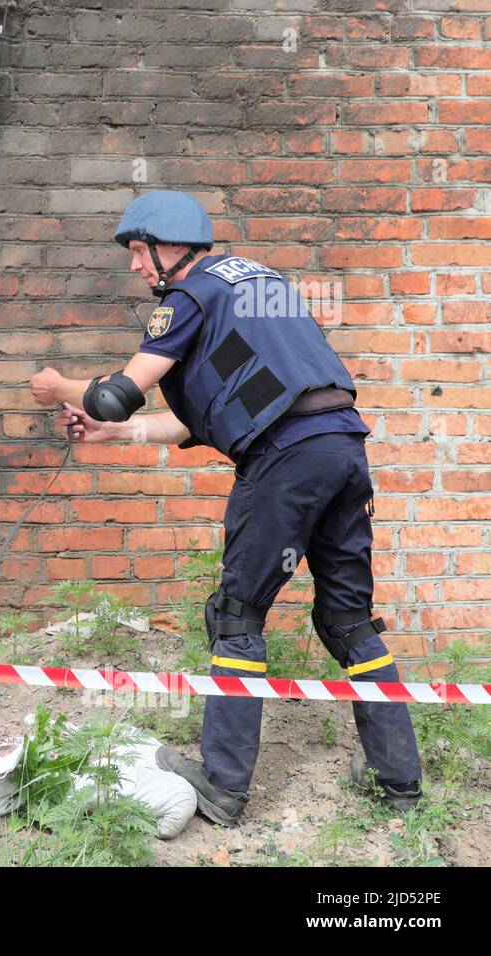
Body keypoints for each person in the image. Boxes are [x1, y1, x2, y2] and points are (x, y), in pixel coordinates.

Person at [27, 190, 422, 827]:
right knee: (349, 619)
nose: (134, 266)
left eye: (136, 251)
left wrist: (61, 388)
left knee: (236, 615)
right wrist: (117, 437)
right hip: (342, 448)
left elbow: (117, 395)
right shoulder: (257, 286)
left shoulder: (188, 295)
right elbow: (202, 416)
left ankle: (221, 785)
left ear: (170, 247)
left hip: (286, 463)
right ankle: (397, 779)